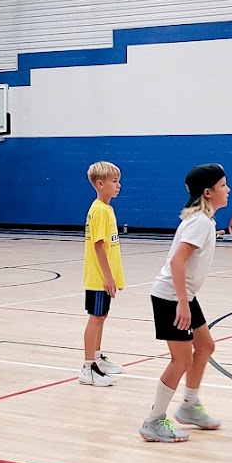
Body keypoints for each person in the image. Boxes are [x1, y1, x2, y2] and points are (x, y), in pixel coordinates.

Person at [140, 164, 229, 443]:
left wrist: (186, 299)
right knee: (182, 359)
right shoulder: (200, 222)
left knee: (205, 346)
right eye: (224, 185)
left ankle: (189, 406)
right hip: (171, 296)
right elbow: (178, 261)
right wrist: (182, 303)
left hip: (184, 295)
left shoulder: (204, 219)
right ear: (208, 192)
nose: (228, 190)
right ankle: (153, 422)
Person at [81, 161, 125, 387]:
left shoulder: (107, 208)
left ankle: (97, 358)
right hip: (98, 277)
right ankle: (88, 367)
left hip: (105, 276)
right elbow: (99, 246)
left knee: (102, 316)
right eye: (114, 181)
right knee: (95, 318)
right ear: (100, 184)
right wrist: (107, 276)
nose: (119, 185)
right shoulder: (99, 210)